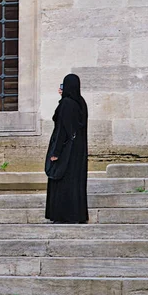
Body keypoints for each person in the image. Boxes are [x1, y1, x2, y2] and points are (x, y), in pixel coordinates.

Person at [45, 73, 89, 224]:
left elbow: (63, 130)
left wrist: (56, 153)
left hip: (65, 151)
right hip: (78, 151)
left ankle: (62, 215)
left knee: (61, 181)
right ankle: (76, 215)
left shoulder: (66, 104)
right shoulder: (81, 103)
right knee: (75, 182)